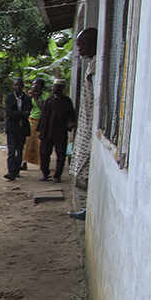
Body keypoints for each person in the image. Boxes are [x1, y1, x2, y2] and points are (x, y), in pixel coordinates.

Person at [70, 28, 97, 188]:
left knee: (86, 161)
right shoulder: (91, 65)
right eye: (78, 45)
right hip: (86, 122)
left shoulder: (96, 67)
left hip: (91, 123)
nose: (79, 49)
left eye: (83, 45)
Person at [38, 79, 75, 183]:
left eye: (56, 87)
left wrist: (70, 123)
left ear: (62, 89)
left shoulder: (66, 101)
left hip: (60, 132)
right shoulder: (49, 100)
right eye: (53, 87)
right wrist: (41, 131)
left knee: (61, 154)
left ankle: (57, 175)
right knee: (44, 153)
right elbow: (44, 117)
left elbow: (71, 116)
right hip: (47, 131)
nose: (54, 89)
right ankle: (45, 173)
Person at [3, 78, 32, 180]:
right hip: (12, 128)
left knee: (19, 151)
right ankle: (11, 171)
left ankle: (16, 170)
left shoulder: (27, 98)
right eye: (16, 85)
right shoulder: (9, 98)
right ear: (13, 86)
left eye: (19, 85)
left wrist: (19, 114)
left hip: (22, 128)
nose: (17, 87)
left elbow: (28, 112)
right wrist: (21, 114)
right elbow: (8, 112)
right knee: (11, 151)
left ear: (23, 86)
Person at [23, 78, 46, 167]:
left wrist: (35, 98)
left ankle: (41, 163)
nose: (32, 86)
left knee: (39, 144)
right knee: (28, 143)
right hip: (31, 121)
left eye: (34, 84)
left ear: (39, 86)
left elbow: (43, 108)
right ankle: (24, 162)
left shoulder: (45, 96)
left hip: (41, 122)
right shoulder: (30, 97)